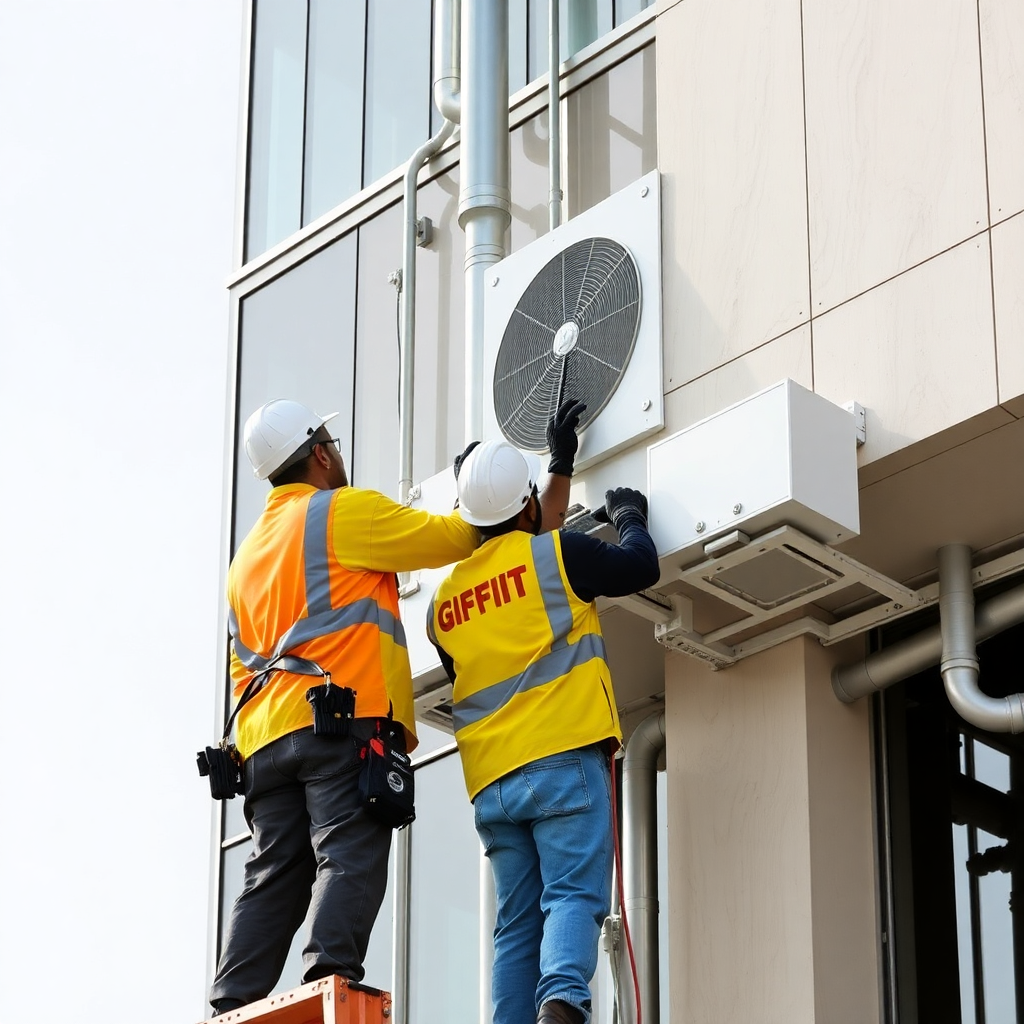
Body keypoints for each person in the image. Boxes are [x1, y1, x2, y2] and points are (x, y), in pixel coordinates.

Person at [209, 397, 581, 1017]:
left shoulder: (243, 559)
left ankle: (230, 1002)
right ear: (321, 453)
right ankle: (331, 980)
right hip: (336, 721)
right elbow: (466, 535)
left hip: (262, 743)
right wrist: (485, 486)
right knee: (349, 849)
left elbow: (237, 663)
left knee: (273, 875)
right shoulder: (339, 513)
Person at [427, 429, 660, 1024]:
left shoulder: (443, 606)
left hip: (494, 785)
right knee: (574, 897)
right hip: (562, 761)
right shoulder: (561, 556)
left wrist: (560, 462)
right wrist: (630, 515)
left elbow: (514, 567)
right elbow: (640, 566)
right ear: (528, 505)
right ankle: (561, 1006)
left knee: (518, 921)